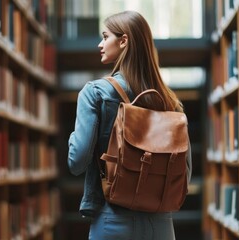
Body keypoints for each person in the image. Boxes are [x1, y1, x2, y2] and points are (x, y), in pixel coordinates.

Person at [67, 10, 192, 240]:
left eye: (105, 37)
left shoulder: (95, 92)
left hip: (112, 221)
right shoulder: (170, 102)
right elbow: (185, 172)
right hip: (162, 226)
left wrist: (73, 137)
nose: (100, 44)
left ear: (123, 40)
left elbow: (77, 161)